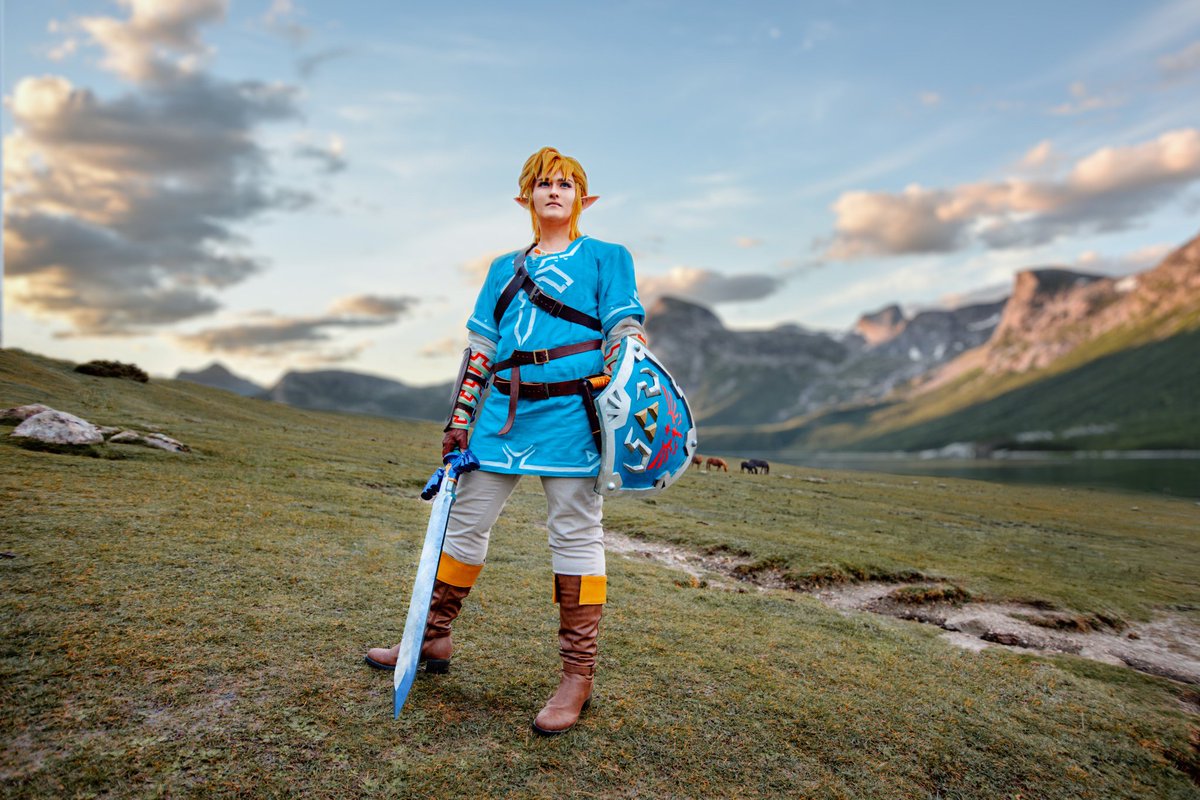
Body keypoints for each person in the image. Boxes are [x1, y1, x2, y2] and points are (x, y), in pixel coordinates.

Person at [365, 146, 647, 736]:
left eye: (565, 184)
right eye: (543, 183)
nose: (554, 191)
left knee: (575, 532)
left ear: (582, 197)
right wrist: (459, 420)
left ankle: (578, 675)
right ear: (526, 198)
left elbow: (623, 332)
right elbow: (481, 350)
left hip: (574, 415)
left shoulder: (607, 257)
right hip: (502, 414)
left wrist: (620, 393)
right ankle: (432, 637)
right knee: (464, 523)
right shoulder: (502, 268)